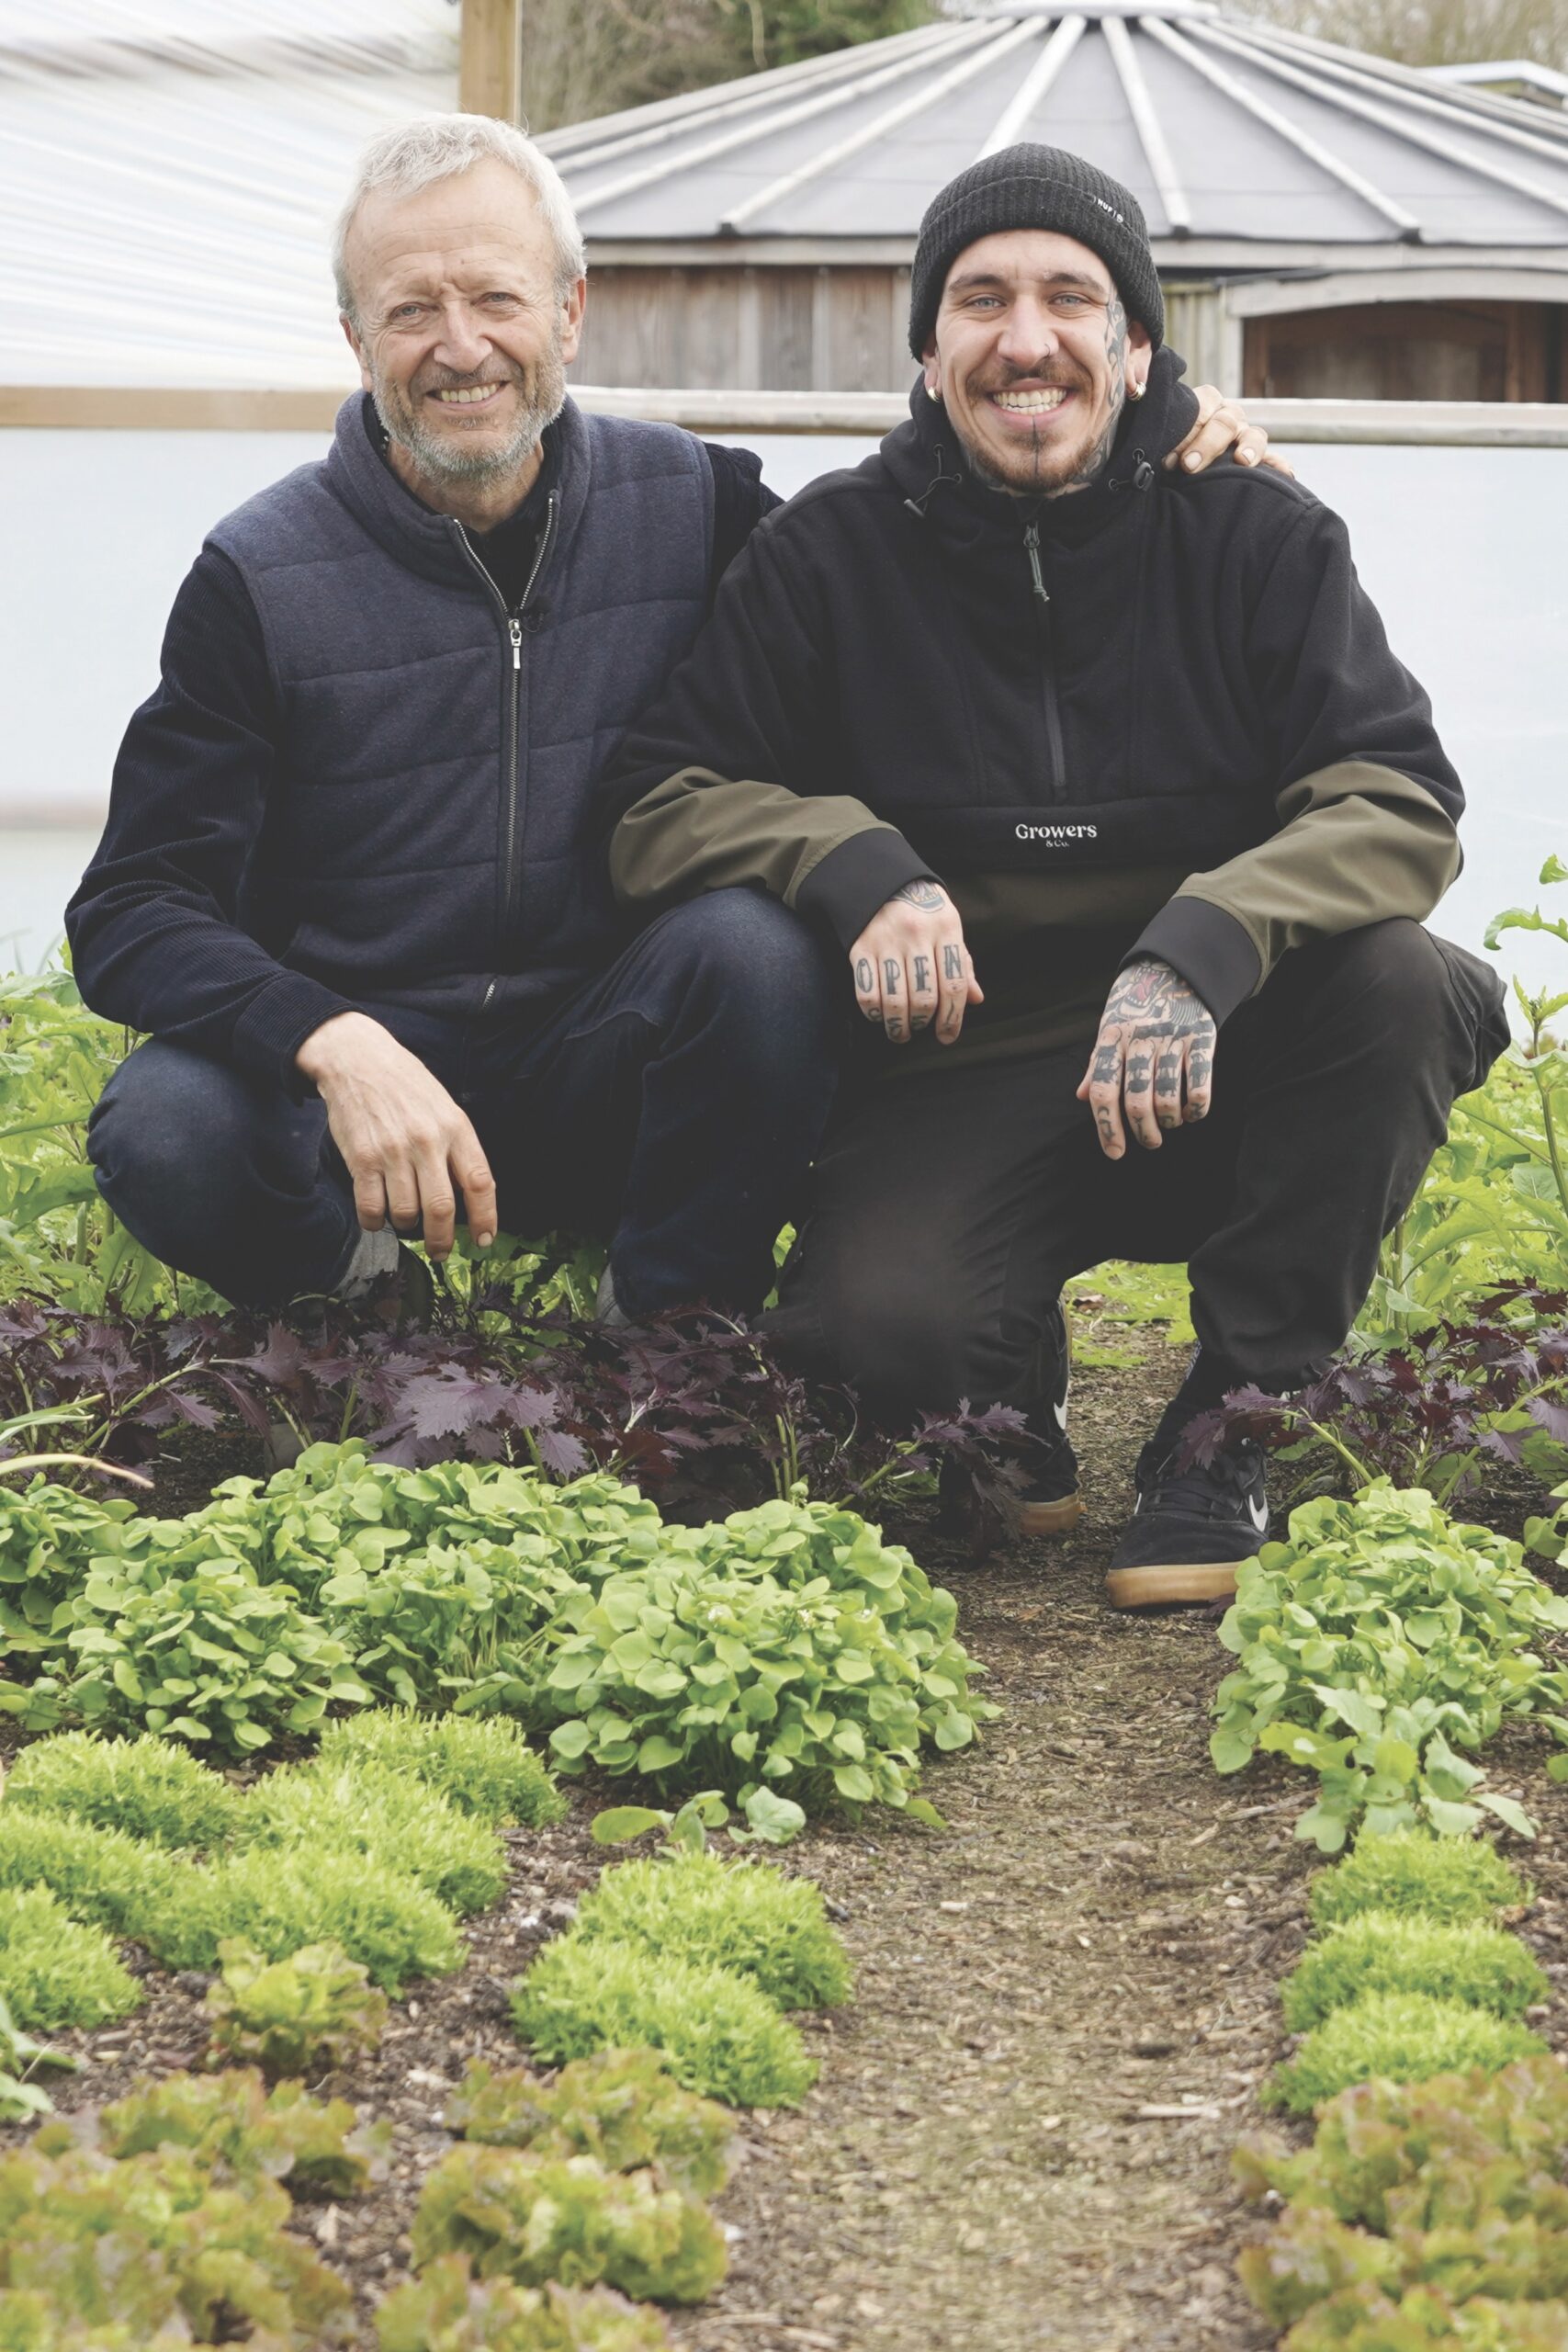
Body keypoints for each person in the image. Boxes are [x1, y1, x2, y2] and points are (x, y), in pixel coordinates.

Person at [67, 117, 1271, 1329]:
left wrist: (1142, 424)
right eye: (412, 311)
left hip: (624, 1061)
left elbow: (941, 574)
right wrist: (330, 1040)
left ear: (571, 312)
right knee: (166, 1125)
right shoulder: (263, 576)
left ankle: (668, 1344)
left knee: (754, 952)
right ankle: (360, 1309)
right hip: (369, 1106)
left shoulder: (699, 506)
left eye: (497, 297)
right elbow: (131, 908)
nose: (462, 347)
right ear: (353, 338)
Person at [598, 144, 1510, 1608]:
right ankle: (1004, 1375)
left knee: (1402, 980)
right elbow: (658, 801)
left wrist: (1207, 938)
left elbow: (1398, 799)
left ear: (1138, 342)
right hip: (963, 1062)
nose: (1028, 340)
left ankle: (1234, 1426)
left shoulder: (1259, 532)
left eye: (1073, 298)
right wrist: (852, 864)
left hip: (1229, 1048)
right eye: (980, 300)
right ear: (928, 348)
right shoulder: (831, 550)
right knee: (888, 1362)